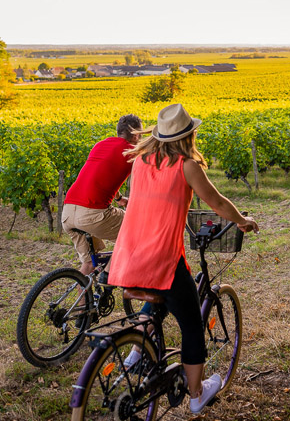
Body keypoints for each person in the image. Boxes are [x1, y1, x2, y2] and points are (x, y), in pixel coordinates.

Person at [107, 103, 258, 415]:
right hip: (161, 256)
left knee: (160, 297)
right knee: (191, 324)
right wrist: (241, 219)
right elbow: (216, 201)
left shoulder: (141, 160)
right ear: (189, 135)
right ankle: (196, 395)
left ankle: (138, 350)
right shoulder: (187, 165)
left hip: (129, 255)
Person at [61, 114, 142, 276]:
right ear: (136, 135)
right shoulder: (132, 151)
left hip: (68, 212)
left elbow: (101, 173)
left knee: (89, 264)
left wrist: (118, 199)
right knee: (137, 233)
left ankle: (85, 300)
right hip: (93, 213)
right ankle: (108, 274)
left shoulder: (100, 145)